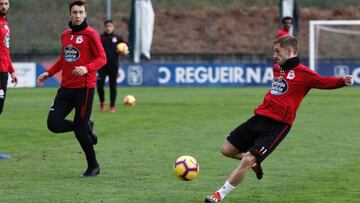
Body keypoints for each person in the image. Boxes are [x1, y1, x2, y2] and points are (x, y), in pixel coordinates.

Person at [204, 36, 353, 202]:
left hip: (278, 126)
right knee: (227, 150)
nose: (274, 55)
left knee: (247, 159)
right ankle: (255, 163)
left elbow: (324, 81)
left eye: (277, 51)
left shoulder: (305, 74)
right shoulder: (278, 68)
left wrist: (342, 81)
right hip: (259, 117)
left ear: (289, 51)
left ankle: (219, 194)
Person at [37, 0, 107, 177]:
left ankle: (94, 166)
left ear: (85, 14)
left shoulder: (91, 34)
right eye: (74, 12)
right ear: (70, 14)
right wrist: (49, 73)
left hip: (84, 88)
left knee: (80, 128)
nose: (77, 15)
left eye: (80, 12)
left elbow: (102, 58)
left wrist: (87, 68)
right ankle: (86, 126)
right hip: (65, 87)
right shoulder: (65, 35)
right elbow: (63, 59)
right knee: (53, 124)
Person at [97, 19, 127, 113]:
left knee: (112, 86)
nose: (108, 28)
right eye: (107, 26)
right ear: (104, 27)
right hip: (101, 66)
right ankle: (102, 102)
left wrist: (124, 51)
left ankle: (112, 105)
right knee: (100, 85)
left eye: (110, 26)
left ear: (113, 27)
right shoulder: (100, 38)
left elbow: (126, 47)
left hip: (113, 66)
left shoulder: (118, 38)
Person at [0, 0, 17, 159]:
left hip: (3, 72)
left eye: (6, 3)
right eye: (1, 4)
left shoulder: (4, 24)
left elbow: (5, 50)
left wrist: (11, 70)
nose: (4, 6)